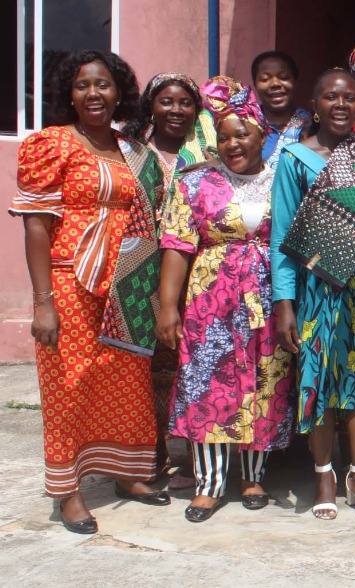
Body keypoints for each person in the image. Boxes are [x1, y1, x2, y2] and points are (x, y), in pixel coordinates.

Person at [12, 50, 170, 535]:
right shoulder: (52, 144)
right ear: (70, 93)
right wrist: (43, 302)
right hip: (69, 283)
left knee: (127, 380)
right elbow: (36, 226)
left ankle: (126, 473)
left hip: (128, 282)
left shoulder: (134, 151)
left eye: (103, 84)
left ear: (119, 92)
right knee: (69, 384)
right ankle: (69, 491)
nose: (93, 94)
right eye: (83, 85)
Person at [155, 76, 293, 523]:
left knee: (264, 380)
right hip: (211, 301)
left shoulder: (282, 180)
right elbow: (177, 245)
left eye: (242, 134)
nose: (233, 144)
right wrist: (169, 307)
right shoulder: (196, 182)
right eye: (225, 136)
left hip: (268, 298)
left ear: (262, 135)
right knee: (209, 383)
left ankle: (253, 477)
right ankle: (210, 484)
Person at [271, 68, 355, 521]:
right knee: (319, 382)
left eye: (349, 97)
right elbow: (282, 236)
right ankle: (324, 474)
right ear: (315, 104)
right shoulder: (294, 159)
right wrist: (284, 303)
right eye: (330, 97)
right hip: (318, 289)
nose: (340, 105)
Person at [124, 71, 209, 488]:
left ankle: (196, 455)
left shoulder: (208, 154)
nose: (176, 110)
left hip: (197, 274)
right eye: (167, 101)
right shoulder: (130, 152)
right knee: (147, 366)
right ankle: (152, 451)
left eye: (185, 102)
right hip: (139, 271)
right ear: (151, 106)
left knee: (191, 364)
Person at [251, 50, 310, 168]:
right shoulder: (246, 123)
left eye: (284, 77)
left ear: (295, 81)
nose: (275, 84)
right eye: (265, 79)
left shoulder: (311, 124)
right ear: (255, 85)